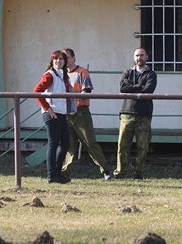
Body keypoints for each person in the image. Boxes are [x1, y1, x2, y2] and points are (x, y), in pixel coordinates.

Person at [60, 48, 113, 180]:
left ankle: (107, 171)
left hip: (80, 112)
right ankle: (63, 173)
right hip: (65, 113)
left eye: (67, 57)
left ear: (74, 58)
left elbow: (86, 92)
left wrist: (72, 98)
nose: (65, 60)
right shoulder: (60, 74)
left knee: (89, 143)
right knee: (68, 144)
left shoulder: (82, 72)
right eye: (63, 58)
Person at [115, 48, 157, 180]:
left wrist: (132, 87)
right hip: (127, 113)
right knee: (122, 145)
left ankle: (138, 173)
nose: (139, 58)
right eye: (137, 55)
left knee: (142, 145)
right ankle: (121, 172)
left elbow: (148, 90)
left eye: (142, 55)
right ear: (134, 58)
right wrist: (140, 86)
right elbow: (122, 88)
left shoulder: (151, 74)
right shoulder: (127, 72)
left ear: (147, 57)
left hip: (144, 114)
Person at [33, 50, 72, 184]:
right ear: (52, 61)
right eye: (56, 59)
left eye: (61, 59)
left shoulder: (63, 76)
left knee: (65, 143)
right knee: (53, 144)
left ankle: (57, 173)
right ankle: (52, 175)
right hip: (52, 113)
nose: (58, 61)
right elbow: (36, 92)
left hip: (61, 113)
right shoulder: (50, 75)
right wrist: (47, 108)